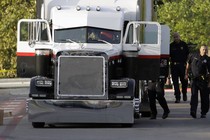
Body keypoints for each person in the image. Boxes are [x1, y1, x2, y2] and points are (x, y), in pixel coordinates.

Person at [185, 45, 210, 118]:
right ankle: (193, 111)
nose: (204, 51)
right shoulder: (193, 56)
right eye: (203, 49)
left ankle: (203, 112)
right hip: (194, 79)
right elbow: (188, 64)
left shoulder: (208, 59)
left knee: (205, 97)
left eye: (206, 50)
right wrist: (186, 74)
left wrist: (209, 83)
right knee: (194, 96)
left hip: (204, 80)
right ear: (200, 50)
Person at [169, 32, 189, 103]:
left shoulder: (184, 44)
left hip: (182, 65)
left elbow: (188, 55)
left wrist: (187, 64)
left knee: (184, 81)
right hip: (174, 65)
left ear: (179, 37)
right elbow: (169, 56)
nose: (176, 38)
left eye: (177, 36)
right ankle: (177, 97)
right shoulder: (171, 45)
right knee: (175, 82)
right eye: (174, 37)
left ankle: (184, 93)